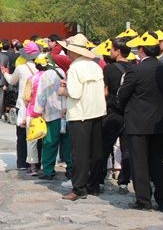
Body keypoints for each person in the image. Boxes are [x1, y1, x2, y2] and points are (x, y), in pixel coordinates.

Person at [118, 31, 163, 211]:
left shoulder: (135, 70)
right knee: (158, 162)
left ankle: (143, 200)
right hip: (159, 124)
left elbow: (122, 95)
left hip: (138, 123)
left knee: (139, 163)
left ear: (142, 50)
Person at [57, 34, 106, 201]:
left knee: (80, 154)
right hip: (97, 112)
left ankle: (79, 188)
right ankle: (94, 185)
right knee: (95, 152)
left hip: (80, 115)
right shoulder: (96, 66)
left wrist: (63, 91)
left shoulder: (75, 69)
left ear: (73, 52)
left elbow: (75, 93)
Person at [90, 37, 132, 195]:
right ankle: (123, 182)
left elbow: (105, 91)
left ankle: (99, 181)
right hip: (129, 113)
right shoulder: (134, 68)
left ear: (118, 51)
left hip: (112, 112)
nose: (110, 52)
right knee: (126, 150)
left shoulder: (109, 69)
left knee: (104, 148)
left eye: (111, 49)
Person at [31, 54, 73, 181]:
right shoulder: (65, 71)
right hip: (67, 113)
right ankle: (71, 169)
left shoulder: (46, 75)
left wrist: (38, 111)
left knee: (50, 143)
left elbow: (41, 94)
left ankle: (48, 170)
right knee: (67, 143)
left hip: (52, 113)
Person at [2, 41, 40, 174]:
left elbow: (12, 81)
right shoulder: (41, 68)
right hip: (37, 106)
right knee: (36, 134)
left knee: (22, 135)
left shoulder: (21, 68)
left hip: (23, 105)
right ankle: (36, 163)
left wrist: (5, 73)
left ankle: (22, 162)